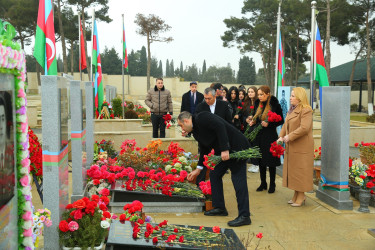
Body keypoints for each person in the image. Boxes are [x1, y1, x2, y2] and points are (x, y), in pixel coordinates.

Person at [178, 111, 251, 227]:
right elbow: (204, 148)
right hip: (223, 153)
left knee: (238, 180)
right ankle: (220, 207)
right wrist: (198, 169)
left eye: (181, 125)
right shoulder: (195, 131)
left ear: (186, 121)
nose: (182, 129)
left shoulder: (202, 117)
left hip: (237, 148)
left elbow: (220, 126)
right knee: (215, 174)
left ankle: (245, 216)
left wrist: (225, 149)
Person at [277, 87, 314, 206]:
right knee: (294, 172)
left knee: (301, 171)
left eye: (293, 96)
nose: (290, 97)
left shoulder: (306, 110)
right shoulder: (292, 109)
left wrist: (289, 137)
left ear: (300, 97)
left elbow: (304, 128)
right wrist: (281, 136)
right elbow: (285, 125)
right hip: (292, 146)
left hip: (302, 146)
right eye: (291, 95)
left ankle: (301, 195)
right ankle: (296, 194)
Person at [248, 85, 284, 193]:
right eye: (258, 95)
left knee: (271, 161)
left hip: (270, 136)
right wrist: (253, 121)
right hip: (259, 136)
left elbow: (281, 120)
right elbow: (256, 116)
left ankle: (272, 184)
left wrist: (269, 124)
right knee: (261, 161)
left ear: (268, 94)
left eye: (261, 95)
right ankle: (263, 183)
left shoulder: (274, 104)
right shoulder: (258, 104)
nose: (259, 97)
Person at [243, 86, 259, 173]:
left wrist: (254, 119)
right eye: (249, 92)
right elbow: (243, 115)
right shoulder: (246, 103)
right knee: (249, 145)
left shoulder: (258, 103)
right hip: (248, 128)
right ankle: (253, 163)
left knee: (255, 145)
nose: (250, 93)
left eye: (252, 92)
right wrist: (246, 119)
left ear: (255, 93)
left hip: (255, 128)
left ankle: (256, 164)